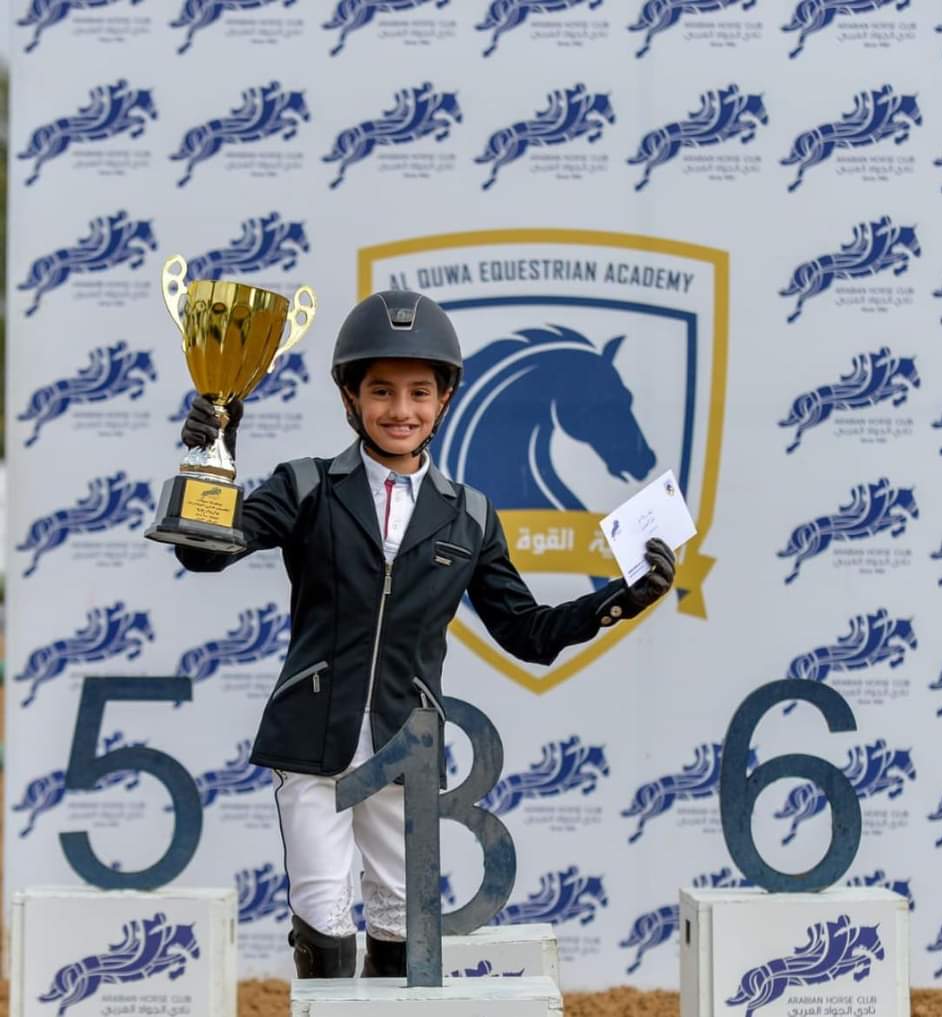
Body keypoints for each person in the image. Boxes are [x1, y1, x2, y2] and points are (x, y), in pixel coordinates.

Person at [177, 290, 677, 979]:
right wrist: (213, 452)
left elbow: (526, 632)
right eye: (381, 390)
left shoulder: (470, 516)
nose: (401, 410)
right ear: (350, 397)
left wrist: (616, 602)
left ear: (444, 401)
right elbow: (202, 552)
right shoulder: (305, 487)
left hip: (404, 747)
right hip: (311, 738)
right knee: (324, 923)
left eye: (419, 392)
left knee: (401, 930)